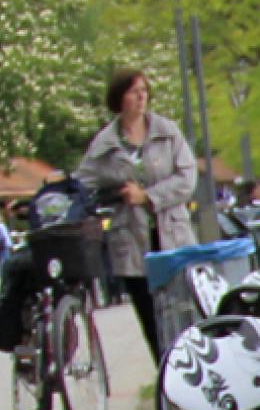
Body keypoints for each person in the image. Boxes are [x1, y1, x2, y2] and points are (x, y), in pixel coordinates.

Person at [78, 69, 199, 356]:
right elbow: (84, 184)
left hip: (173, 237)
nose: (142, 96)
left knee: (186, 318)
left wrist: (147, 196)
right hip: (132, 243)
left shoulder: (167, 132)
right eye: (134, 91)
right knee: (152, 324)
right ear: (120, 98)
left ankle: (194, 379)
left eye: (144, 90)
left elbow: (187, 179)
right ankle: (166, 383)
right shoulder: (104, 145)